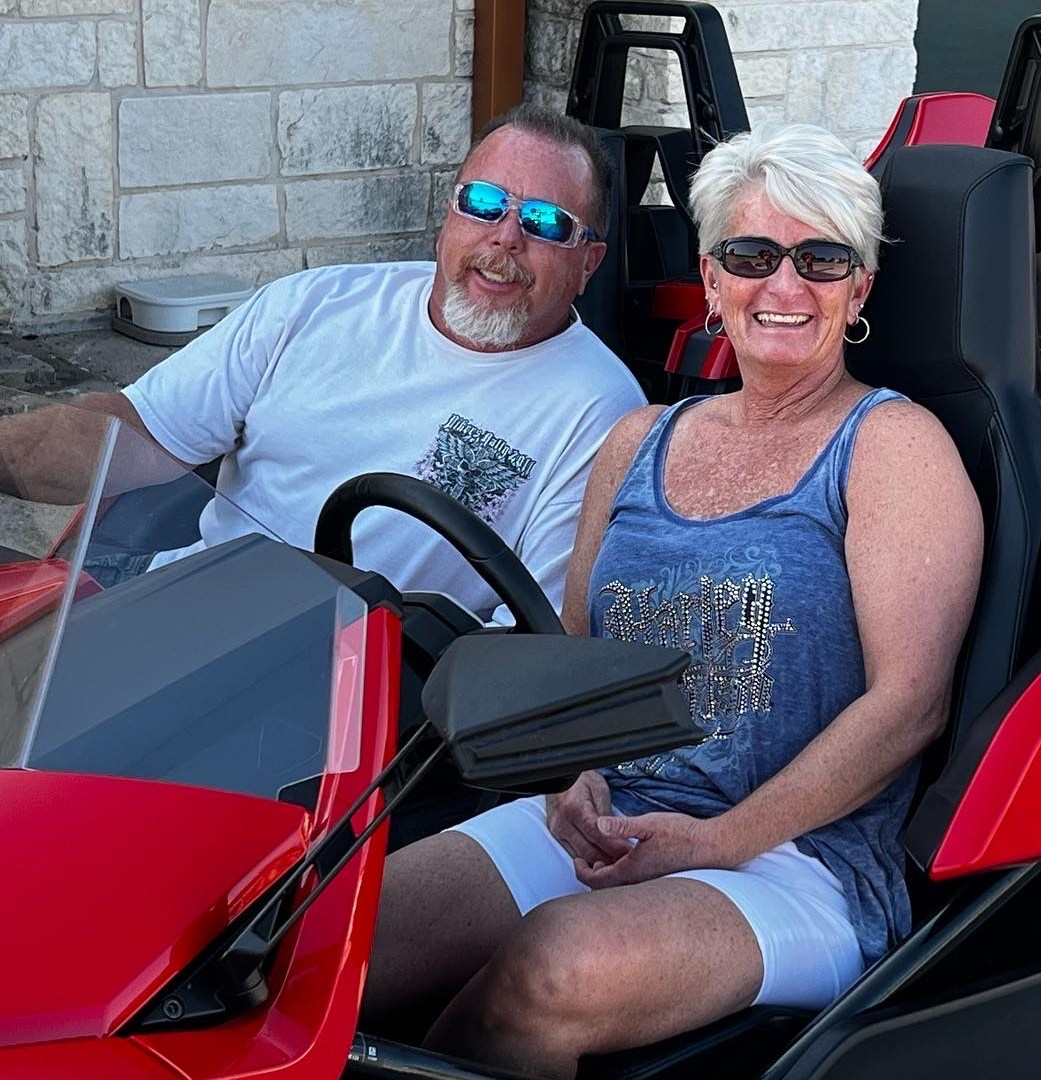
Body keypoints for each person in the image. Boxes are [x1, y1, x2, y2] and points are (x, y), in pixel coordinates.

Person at [363, 123, 985, 1077]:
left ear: (858, 287)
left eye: (820, 259)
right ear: (711, 276)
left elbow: (909, 709)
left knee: (554, 967)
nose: (783, 287)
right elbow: (570, 651)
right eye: (752, 254)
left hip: (793, 857)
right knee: (342, 937)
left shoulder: (893, 448)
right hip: (609, 816)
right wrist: (563, 782)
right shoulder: (638, 440)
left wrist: (719, 839)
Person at [0, 103, 644, 621]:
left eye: (546, 222)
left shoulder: (601, 411)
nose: (505, 237)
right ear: (449, 214)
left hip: (356, 701)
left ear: (589, 261)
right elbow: (132, 432)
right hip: (179, 612)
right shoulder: (316, 303)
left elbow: (539, 630)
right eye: (482, 203)